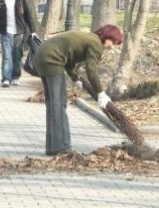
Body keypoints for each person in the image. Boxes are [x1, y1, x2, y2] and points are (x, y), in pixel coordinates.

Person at [34, 25, 123, 155]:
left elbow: (69, 59)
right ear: (107, 36)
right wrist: (101, 93)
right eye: (113, 42)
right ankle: (61, 148)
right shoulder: (96, 44)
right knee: (59, 104)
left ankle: (52, 147)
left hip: (42, 55)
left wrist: (75, 78)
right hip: (52, 59)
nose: (111, 46)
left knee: (53, 105)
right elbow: (91, 70)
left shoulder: (88, 38)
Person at [0, 0, 37, 87]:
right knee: (7, 56)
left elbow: (28, 16)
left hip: (19, 33)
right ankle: (6, 78)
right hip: (5, 32)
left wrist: (33, 31)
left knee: (17, 55)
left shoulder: (21, 0)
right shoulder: (0, 0)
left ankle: (15, 76)